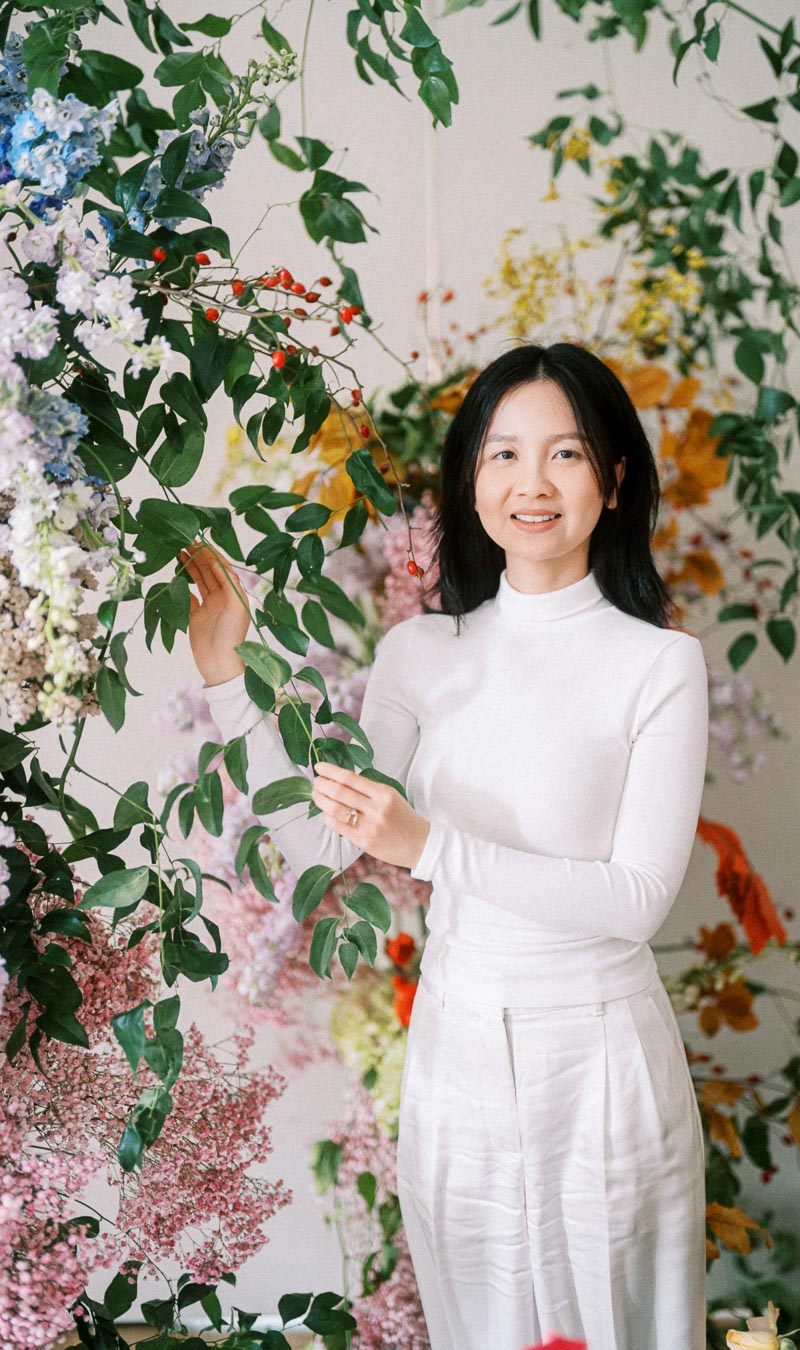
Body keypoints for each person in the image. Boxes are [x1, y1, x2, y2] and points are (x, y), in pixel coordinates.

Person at [180, 341, 710, 1350]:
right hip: (459, 1050)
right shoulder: (421, 654)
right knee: (482, 1322)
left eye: (565, 454)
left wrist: (429, 845)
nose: (532, 484)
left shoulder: (659, 666)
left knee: (623, 1319)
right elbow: (311, 850)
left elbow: (637, 898)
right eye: (503, 455)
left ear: (614, 477)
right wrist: (228, 679)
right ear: (471, 480)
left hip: (600, 1054)